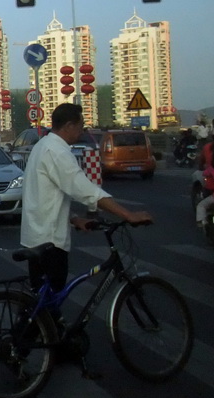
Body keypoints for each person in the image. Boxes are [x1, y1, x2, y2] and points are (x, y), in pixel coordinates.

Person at [21, 104, 151, 297]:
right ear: (69, 126)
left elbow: (45, 195)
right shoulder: (57, 152)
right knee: (48, 303)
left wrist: (74, 219)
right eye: (81, 125)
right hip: (49, 241)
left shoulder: (43, 145)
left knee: (43, 304)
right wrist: (128, 214)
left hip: (36, 235)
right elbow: (86, 190)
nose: (82, 130)